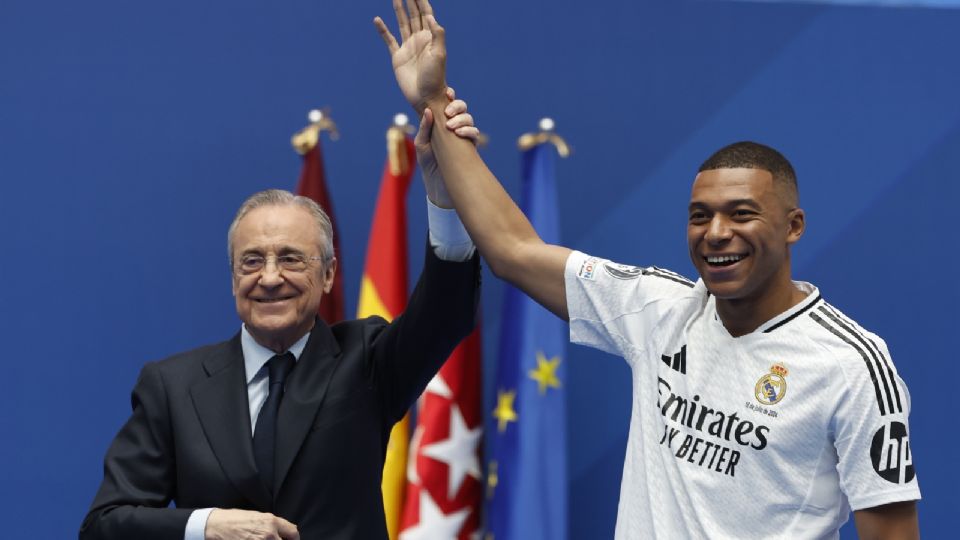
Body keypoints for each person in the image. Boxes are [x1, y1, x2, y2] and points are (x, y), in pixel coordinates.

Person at [374, 0, 921, 537]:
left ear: (793, 226)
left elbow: (892, 533)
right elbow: (513, 251)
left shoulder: (852, 366)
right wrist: (435, 105)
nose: (716, 234)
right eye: (699, 216)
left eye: (742, 214)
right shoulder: (659, 310)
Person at [80, 99, 483, 540]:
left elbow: (447, 311)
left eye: (290, 259)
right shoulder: (172, 387)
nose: (269, 278)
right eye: (252, 261)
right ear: (234, 277)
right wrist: (207, 524)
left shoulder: (368, 361)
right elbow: (105, 525)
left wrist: (445, 199)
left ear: (328, 274)